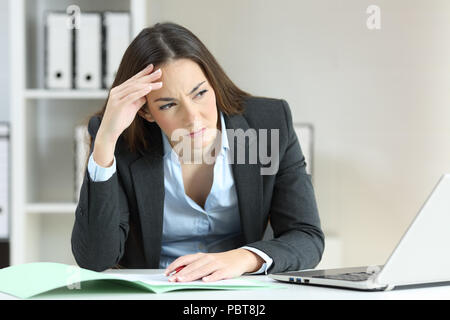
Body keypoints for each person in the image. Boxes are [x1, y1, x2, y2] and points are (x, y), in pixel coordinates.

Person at [71, 22, 324, 283]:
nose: (192, 118)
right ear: (145, 111)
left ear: (213, 84)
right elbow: (95, 258)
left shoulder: (267, 124)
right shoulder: (122, 140)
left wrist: (242, 258)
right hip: (157, 290)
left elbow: (306, 236)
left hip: (240, 287)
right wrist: (105, 143)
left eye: (200, 93)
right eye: (169, 104)